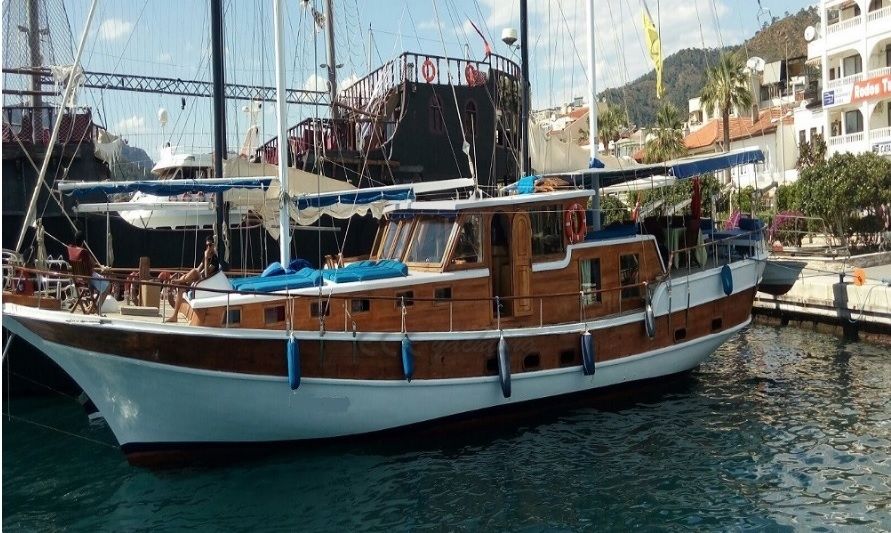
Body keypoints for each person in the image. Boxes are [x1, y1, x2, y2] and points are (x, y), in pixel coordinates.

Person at [166, 235, 220, 323]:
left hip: (206, 284)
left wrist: (206, 259)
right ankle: (174, 316)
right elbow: (199, 269)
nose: (208, 247)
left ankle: (179, 280)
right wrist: (188, 277)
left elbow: (206, 275)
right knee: (181, 287)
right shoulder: (206, 257)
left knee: (193, 272)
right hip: (198, 282)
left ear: (214, 246)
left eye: (210, 245)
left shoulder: (214, 260)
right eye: (207, 245)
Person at [66, 230, 112, 314]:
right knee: (108, 286)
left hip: (78, 279)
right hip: (88, 278)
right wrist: (102, 268)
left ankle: (91, 306)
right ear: (83, 242)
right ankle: (98, 309)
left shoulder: (70, 249)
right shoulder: (84, 252)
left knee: (96, 285)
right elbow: (92, 265)